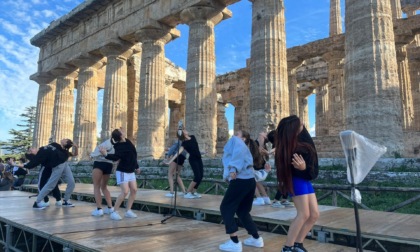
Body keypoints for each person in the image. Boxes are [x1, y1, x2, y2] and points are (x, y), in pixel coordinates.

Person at [275, 115, 319, 252]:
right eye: (300, 124)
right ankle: (287, 247)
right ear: (293, 129)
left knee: (314, 214)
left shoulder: (301, 142)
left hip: (304, 180)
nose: (303, 124)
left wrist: (305, 169)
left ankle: (298, 244)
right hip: (297, 180)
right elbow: (295, 168)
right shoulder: (293, 149)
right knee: (303, 214)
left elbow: (310, 146)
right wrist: (303, 169)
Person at [219, 130, 263, 252]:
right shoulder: (245, 147)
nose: (233, 135)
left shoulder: (238, 142)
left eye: (237, 134)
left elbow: (237, 155)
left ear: (243, 139)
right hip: (249, 181)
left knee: (226, 208)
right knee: (242, 211)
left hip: (240, 180)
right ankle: (256, 238)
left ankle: (234, 242)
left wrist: (233, 169)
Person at [20, 139, 77, 209]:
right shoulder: (48, 148)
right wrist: (17, 164)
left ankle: (66, 200)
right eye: (30, 151)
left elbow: (74, 154)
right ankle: (37, 202)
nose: (64, 139)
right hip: (57, 166)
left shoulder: (60, 148)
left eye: (66, 140)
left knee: (72, 182)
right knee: (51, 184)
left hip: (64, 164)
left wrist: (76, 147)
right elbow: (32, 163)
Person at [100, 128, 140, 221]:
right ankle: (114, 212)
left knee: (134, 190)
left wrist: (137, 167)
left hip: (131, 171)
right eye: (122, 131)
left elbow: (133, 155)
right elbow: (115, 157)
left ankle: (128, 211)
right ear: (120, 135)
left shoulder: (128, 142)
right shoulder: (118, 146)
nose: (124, 131)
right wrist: (106, 154)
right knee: (125, 191)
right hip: (122, 171)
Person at [165, 129, 204, 199]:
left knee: (201, 176)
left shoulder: (193, 137)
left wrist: (202, 152)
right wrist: (170, 161)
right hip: (193, 160)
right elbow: (177, 153)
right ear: (183, 134)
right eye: (184, 130)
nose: (185, 130)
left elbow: (195, 148)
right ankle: (188, 192)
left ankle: (194, 192)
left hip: (199, 158)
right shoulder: (184, 143)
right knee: (197, 176)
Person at [90, 138, 116, 216]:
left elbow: (94, 154)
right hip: (109, 165)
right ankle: (110, 208)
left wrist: (91, 154)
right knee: (104, 187)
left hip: (99, 163)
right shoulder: (116, 146)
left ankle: (99, 209)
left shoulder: (105, 144)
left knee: (96, 187)